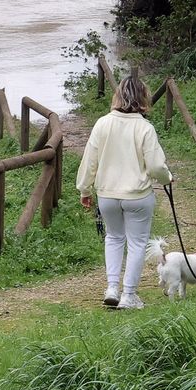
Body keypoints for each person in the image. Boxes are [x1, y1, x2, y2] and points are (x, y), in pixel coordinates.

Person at [76, 72, 172, 310]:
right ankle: (129, 295)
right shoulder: (145, 128)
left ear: (118, 96)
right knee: (137, 243)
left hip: (107, 195)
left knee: (113, 238)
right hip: (137, 196)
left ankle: (111, 288)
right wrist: (167, 178)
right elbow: (156, 166)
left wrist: (85, 190)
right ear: (143, 98)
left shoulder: (102, 123)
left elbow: (90, 160)